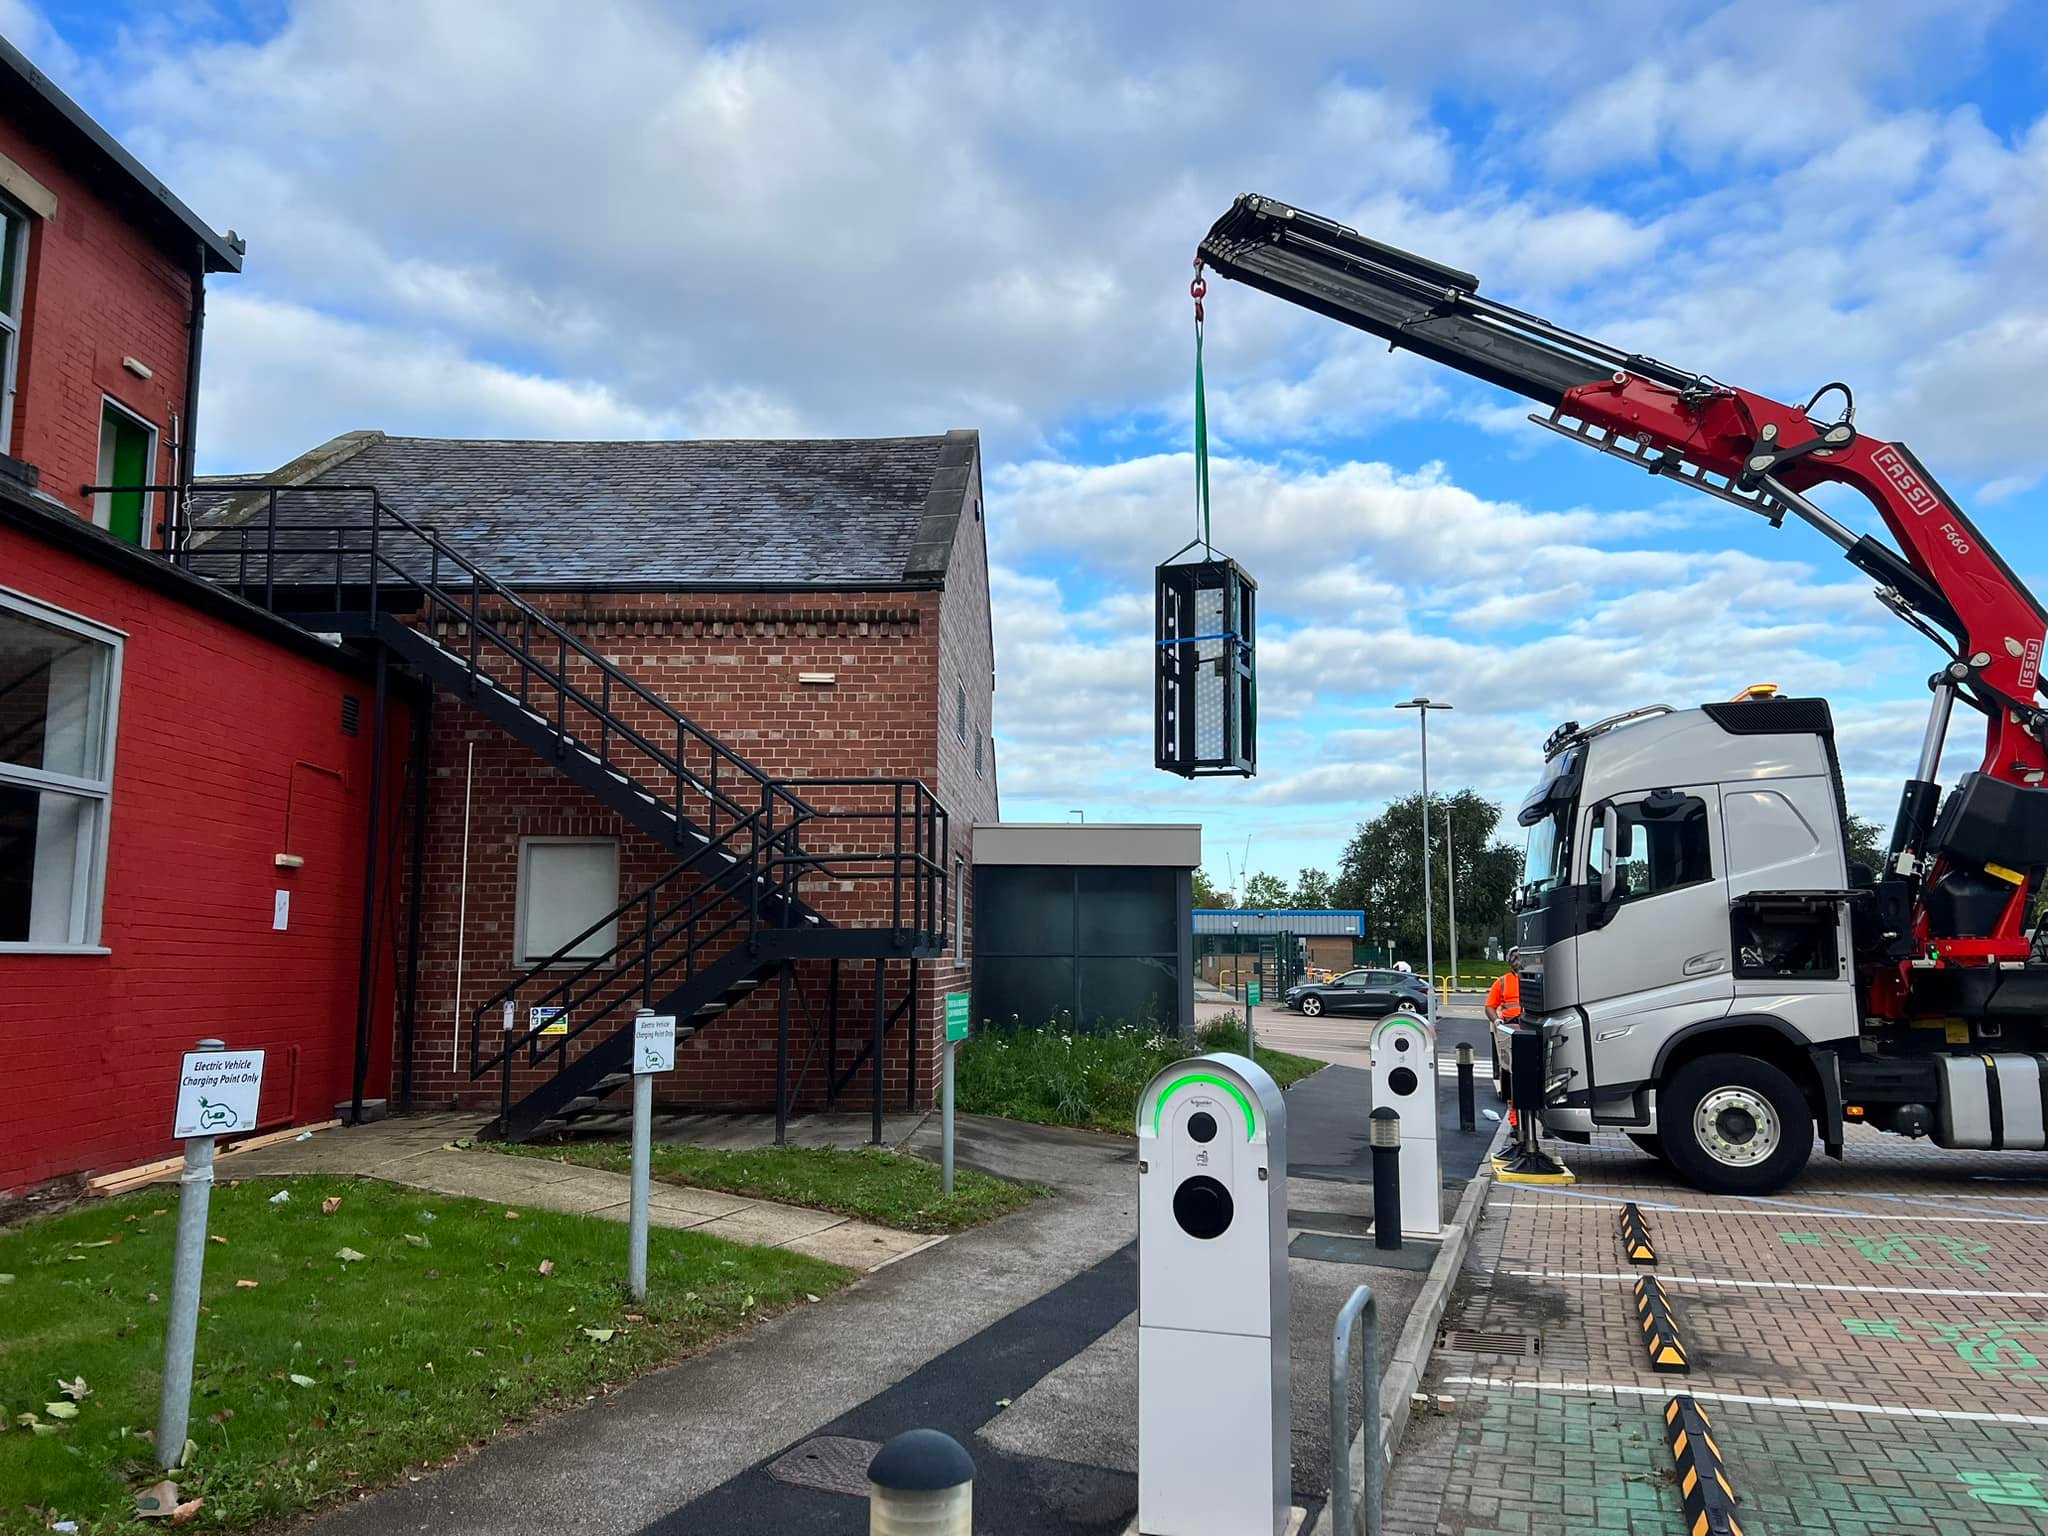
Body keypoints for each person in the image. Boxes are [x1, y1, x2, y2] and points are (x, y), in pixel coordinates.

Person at [1485, 950, 1522, 1027]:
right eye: (1514, 958)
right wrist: (1496, 1020)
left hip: (1531, 1022)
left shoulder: (1535, 979)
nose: (1517, 961)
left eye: (1519, 957)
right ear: (1509, 962)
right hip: (1509, 1022)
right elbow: (1489, 1007)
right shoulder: (1502, 981)